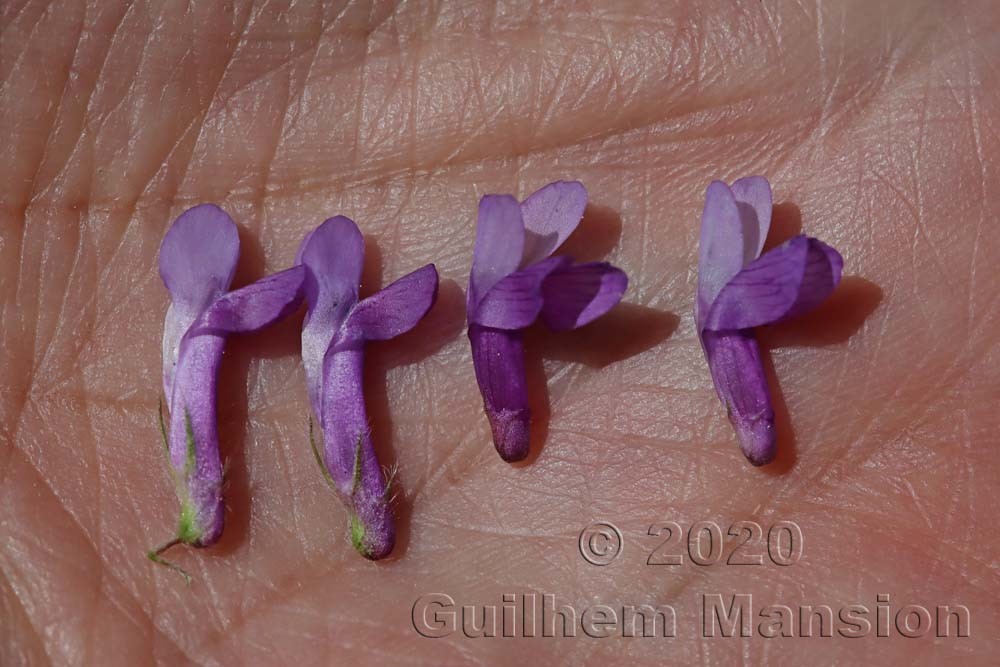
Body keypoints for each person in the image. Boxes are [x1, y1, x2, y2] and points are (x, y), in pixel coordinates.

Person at [2, 0, 996, 663]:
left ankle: (245, 504)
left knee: (416, 356)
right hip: (420, 321)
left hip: (495, 309)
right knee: (362, 370)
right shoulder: (259, 324)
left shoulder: (353, 317)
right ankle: (220, 503)